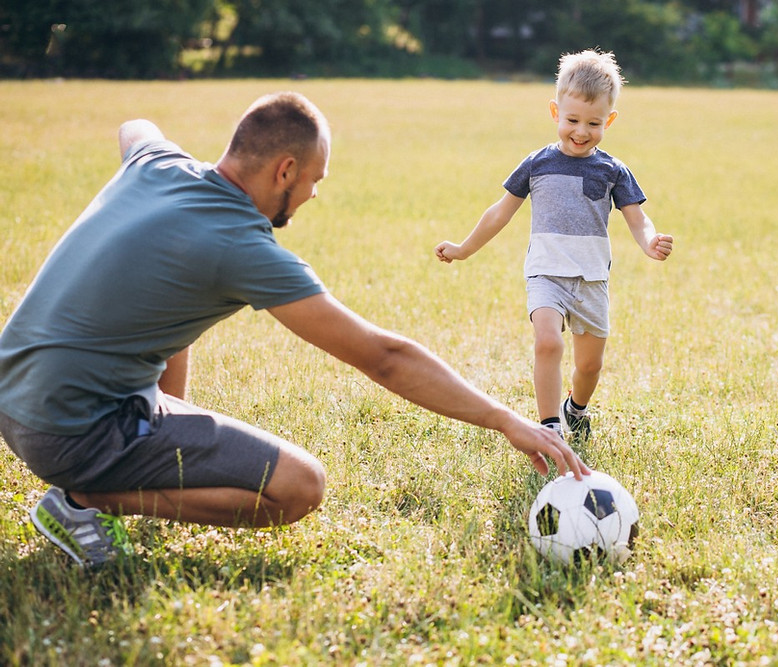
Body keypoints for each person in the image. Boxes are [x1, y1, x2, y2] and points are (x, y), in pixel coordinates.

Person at [0, 92, 588, 568]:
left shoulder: (156, 162)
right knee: (299, 488)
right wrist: (506, 421)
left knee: (174, 313)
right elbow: (383, 356)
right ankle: (85, 500)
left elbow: (136, 125)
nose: (312, 194)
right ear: (284, 169)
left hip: (14, 397)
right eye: (313, 180)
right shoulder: (242, 247)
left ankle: (126, 456)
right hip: (68, 433)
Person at [435, 50, 673, 443]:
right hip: (546, 273)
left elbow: (637, 218)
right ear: (555, 112)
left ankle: (575, 408)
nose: (581, 131)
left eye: (594, 123)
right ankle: (549, 429)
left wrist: (650, 241)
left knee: (590, 366)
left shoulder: (613, 171)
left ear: (609, 120)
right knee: (547, 341)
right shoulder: (537, 164)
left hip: (591, 279)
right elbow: (499, 213)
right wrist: (463, 248)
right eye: (572, 120)